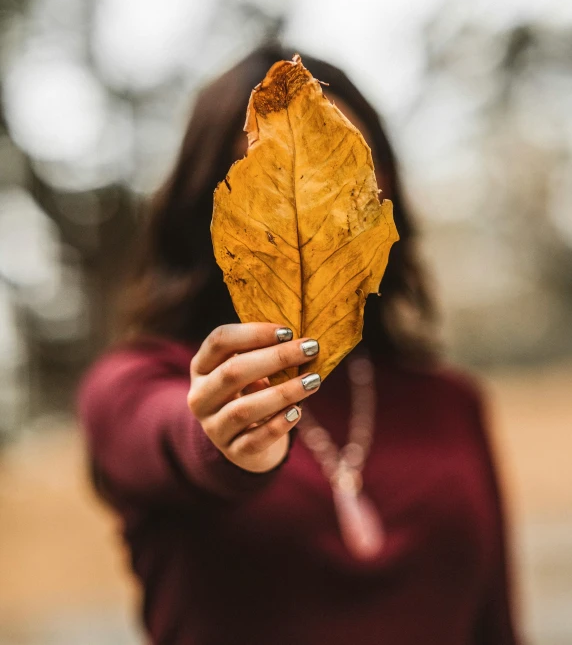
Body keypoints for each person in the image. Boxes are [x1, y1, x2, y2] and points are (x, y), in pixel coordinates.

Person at [77, 45, 521, 645]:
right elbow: (165, 434)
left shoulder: (450, 403)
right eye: (266, 165)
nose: (310, 198)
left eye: (341, 164)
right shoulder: (134, 382)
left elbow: (496, 624)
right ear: (207, 198)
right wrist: (219, 437)